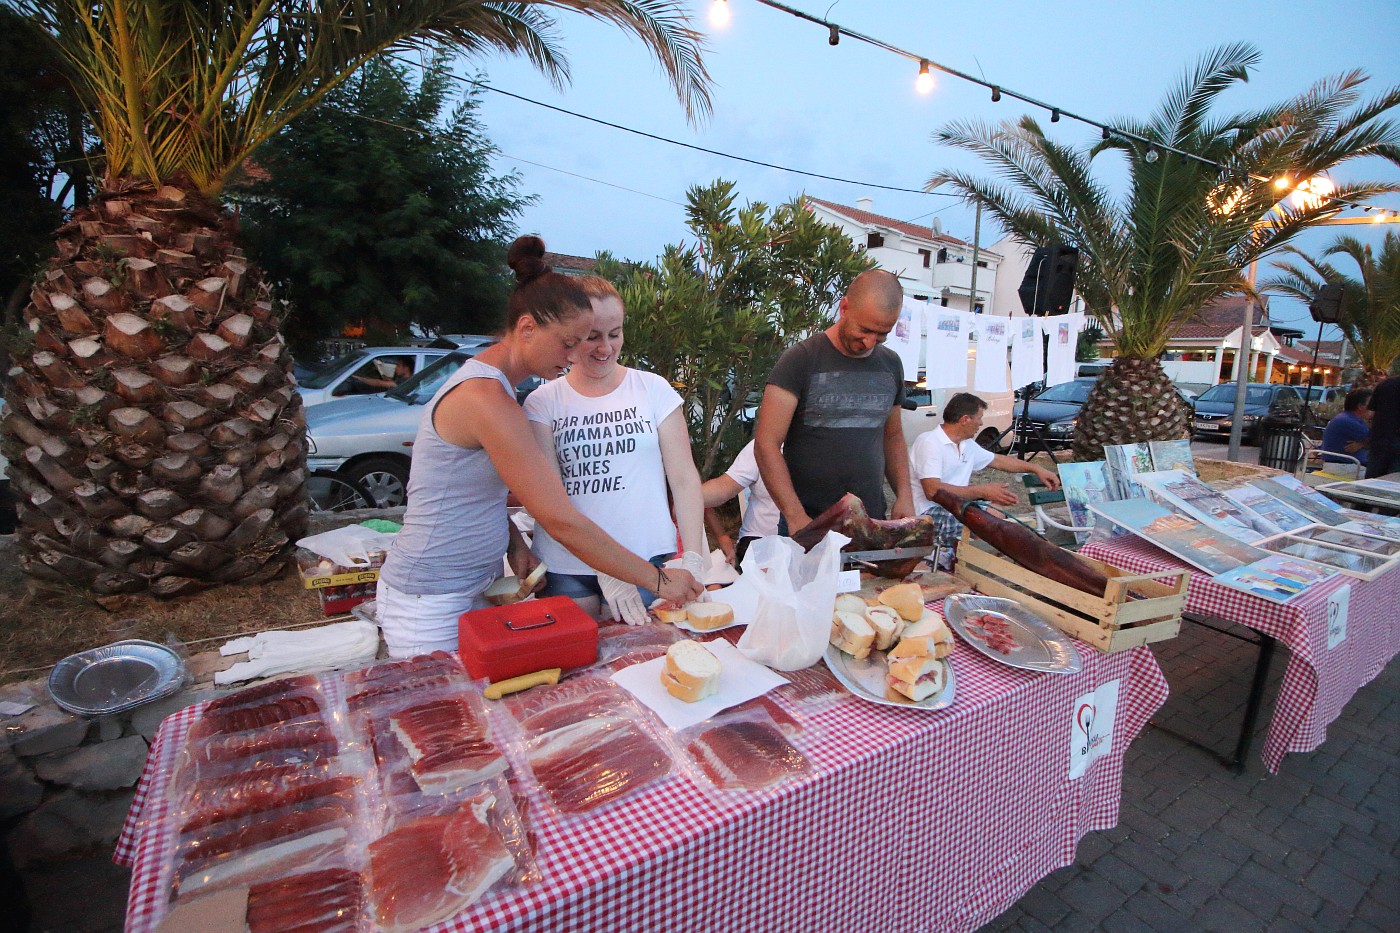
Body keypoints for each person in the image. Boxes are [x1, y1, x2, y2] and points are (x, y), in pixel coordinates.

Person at [375, 237, 702, 657]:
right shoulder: (487, 399)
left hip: (470, 583)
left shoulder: (497, 390)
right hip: (431, 594)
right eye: (569, 343)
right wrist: (658, 581)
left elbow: (468, 490)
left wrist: (514, 542)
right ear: (527, 328)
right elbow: (559, 518)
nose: (573, 357)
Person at [525, 276, 708, 621]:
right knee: (574, 662)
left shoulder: (653, 390)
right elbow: (551, 498)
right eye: (592, 336)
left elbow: (684, 479)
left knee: (642, 659)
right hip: (567, 564)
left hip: (644, 562)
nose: (605, 348)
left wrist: (694, 556)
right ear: (571, 335)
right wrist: (605, 565)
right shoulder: (543, 402)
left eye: (615, 334)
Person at [754, 269, 914, 535]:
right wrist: (795, 516)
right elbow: (766, 444)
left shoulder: (891, 364)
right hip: (809, 521)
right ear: (844, 308)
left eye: (881, 335)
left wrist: (905, 495)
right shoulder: (800, 359)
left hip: (869, 521)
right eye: (864, 330)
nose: (869, 342)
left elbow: (893, 436)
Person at [910, 393, 1061, 553]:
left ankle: (969, 557)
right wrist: (982, 491)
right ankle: (964, 557)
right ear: (965, 419)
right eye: (979, 418)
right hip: (927, 511)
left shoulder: (967, 444)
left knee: (996, 513)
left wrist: (1036, 469)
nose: (981, 424)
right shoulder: (930, 442)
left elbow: (998, 460)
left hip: (954, 506)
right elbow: (932, 491)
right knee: (989, 525)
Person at [701, 439, 779, 565]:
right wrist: (687, 498)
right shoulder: (761, 444)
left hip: (813, 542)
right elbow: (724, 487)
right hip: (759, 540)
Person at [1319, 388, 1372, 467]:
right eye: (1371, 404)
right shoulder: (1349, 421)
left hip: (1349, 464)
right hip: (1346, 465)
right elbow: (1380, 440)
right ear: (1360, 406)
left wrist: (1361, 444)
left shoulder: (1350, 418)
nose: (1373, 407)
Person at [1367, 375, 1400, 479]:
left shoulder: (1385, 384)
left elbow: (1370, 414)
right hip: (1396, 439)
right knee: (1393, 480)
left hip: (1379, 437)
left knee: (1373, 477)